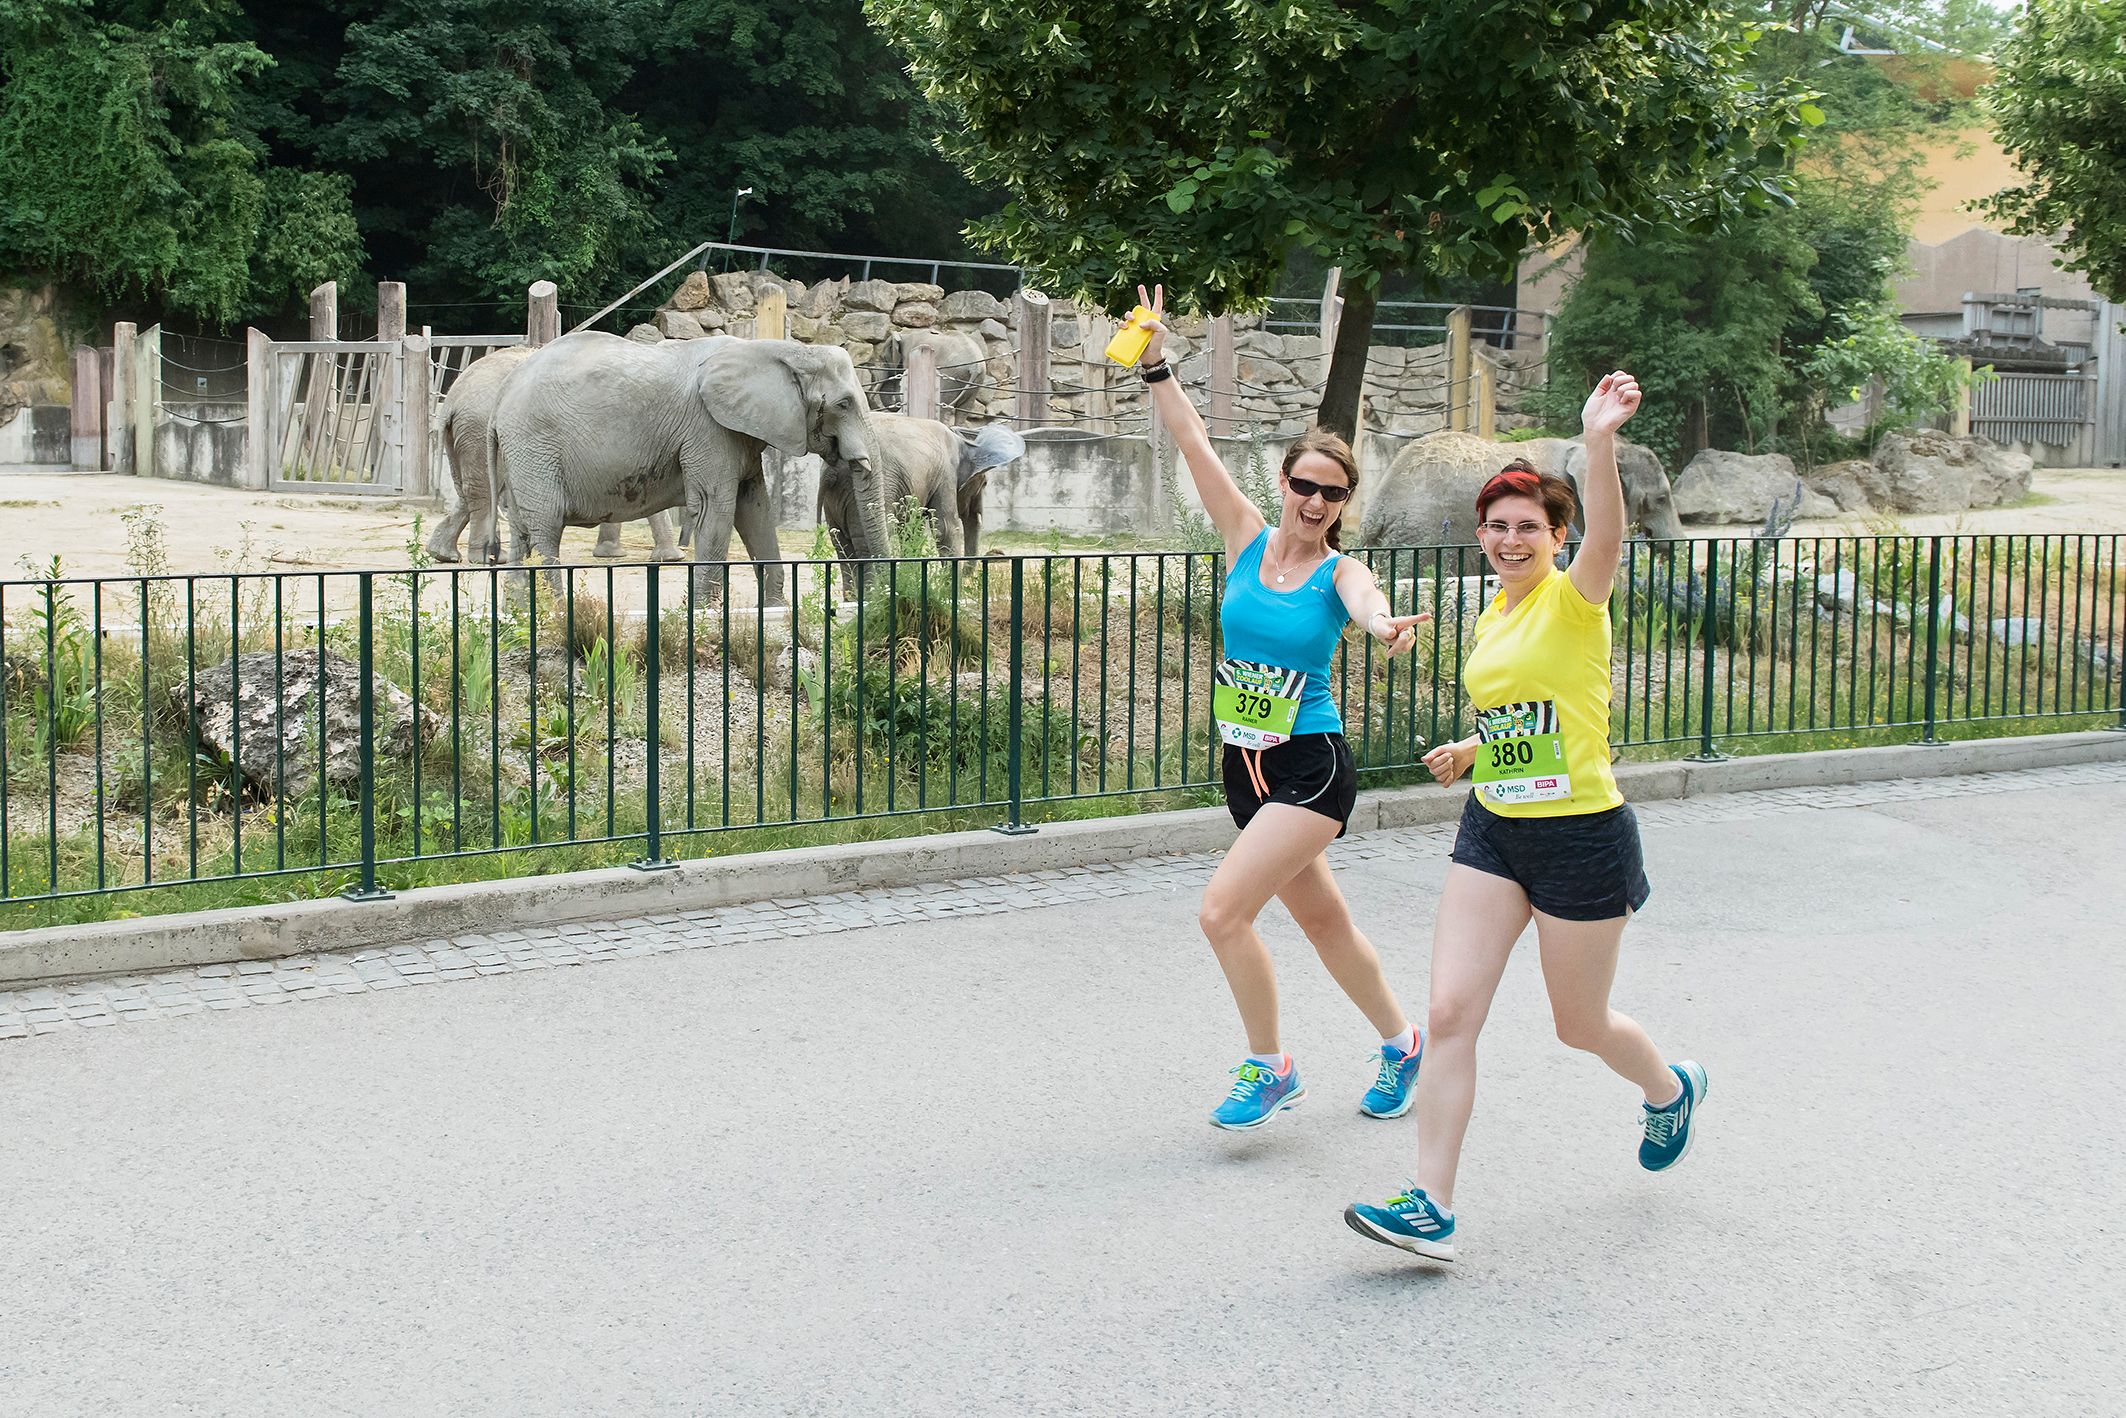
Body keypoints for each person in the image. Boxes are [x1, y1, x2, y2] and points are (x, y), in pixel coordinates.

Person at [1344, 371, 1705, 1262]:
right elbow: (1523, 716)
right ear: (1480, 537)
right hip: (1494, 828)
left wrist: (1600, 443)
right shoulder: (1490, 619)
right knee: (1453, 1012)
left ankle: (1668, 1089)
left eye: (1529, 528)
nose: (1511, 541)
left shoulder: (1576, 599)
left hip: (1583, 835)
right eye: (1497, 527)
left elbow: (1612, 532)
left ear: (1559, 536)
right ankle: (1430, 1202)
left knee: (1579, 1025)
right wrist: (1472, 750)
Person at [1131, 285, 1432, 1130]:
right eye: (1304, 484)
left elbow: (1369, 599)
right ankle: (1406, 1042)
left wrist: (1383, 627)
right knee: (1327, 921)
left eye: (1331, 494)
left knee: (1223, 912)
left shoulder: (1339, 571)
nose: (1313, 502)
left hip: (1310, 767)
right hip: (1244, 764)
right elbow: (1192, 442)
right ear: (1286, 480)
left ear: (1344, 504)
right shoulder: (1247, 536)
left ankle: (1270, 1065)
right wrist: (1157, 361)